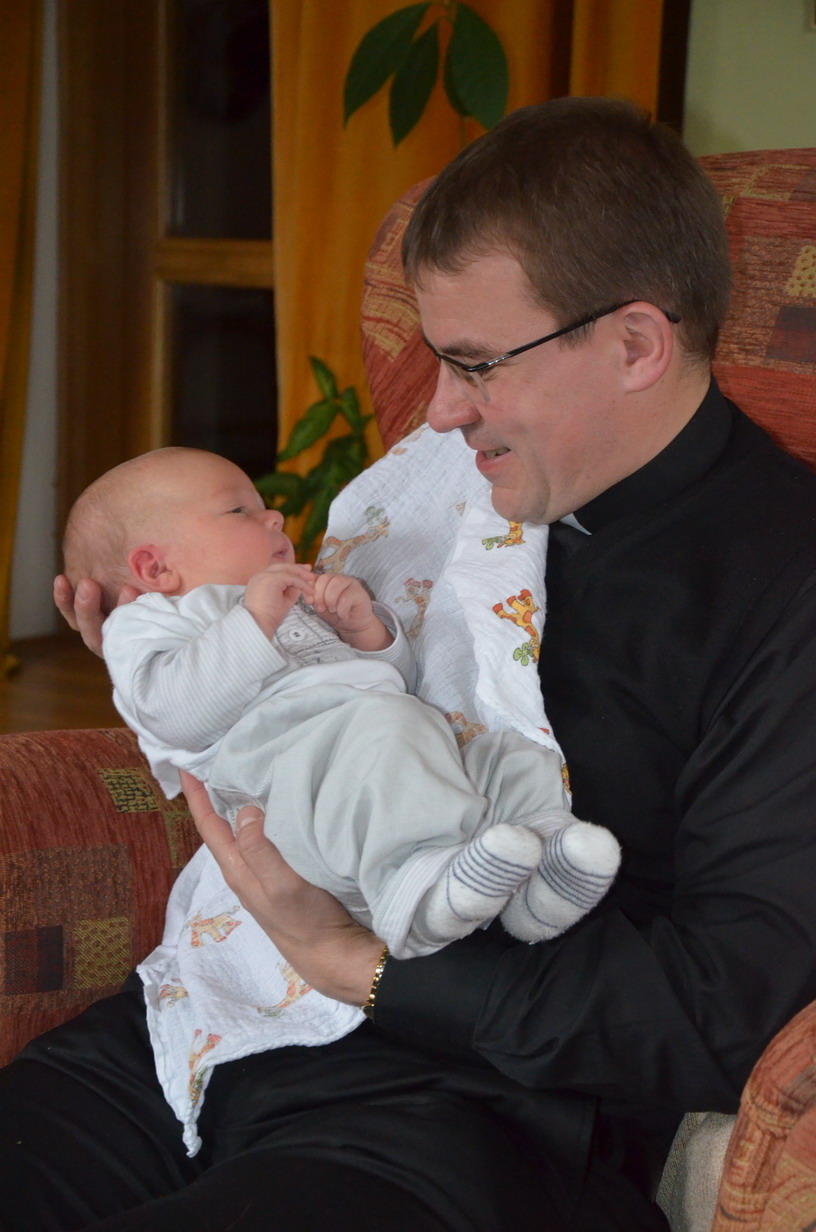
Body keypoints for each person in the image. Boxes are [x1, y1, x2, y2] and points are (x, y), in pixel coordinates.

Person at [5, 95, 816, 1232]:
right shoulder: (438, 495)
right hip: (202, 1020)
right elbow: (299, 709)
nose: (435, 413)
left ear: (636, 344)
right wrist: (171, 650)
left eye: (477, 365)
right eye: (438, 359)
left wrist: (368, 965)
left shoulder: (785, 585)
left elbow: (728, 1004)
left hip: (460, 1102)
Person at [62, 445, 619, 961]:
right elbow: (172, 715)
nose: (274, 518)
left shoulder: (286, 597)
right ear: (156, 569)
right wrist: (254, 620)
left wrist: (365, 632)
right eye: (238, 511)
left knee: (504, 754)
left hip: (384, 742)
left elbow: (393, 683)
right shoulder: (149, 622)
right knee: (387, 734)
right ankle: (413, 894)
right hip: (289, 780)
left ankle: (540, 866)